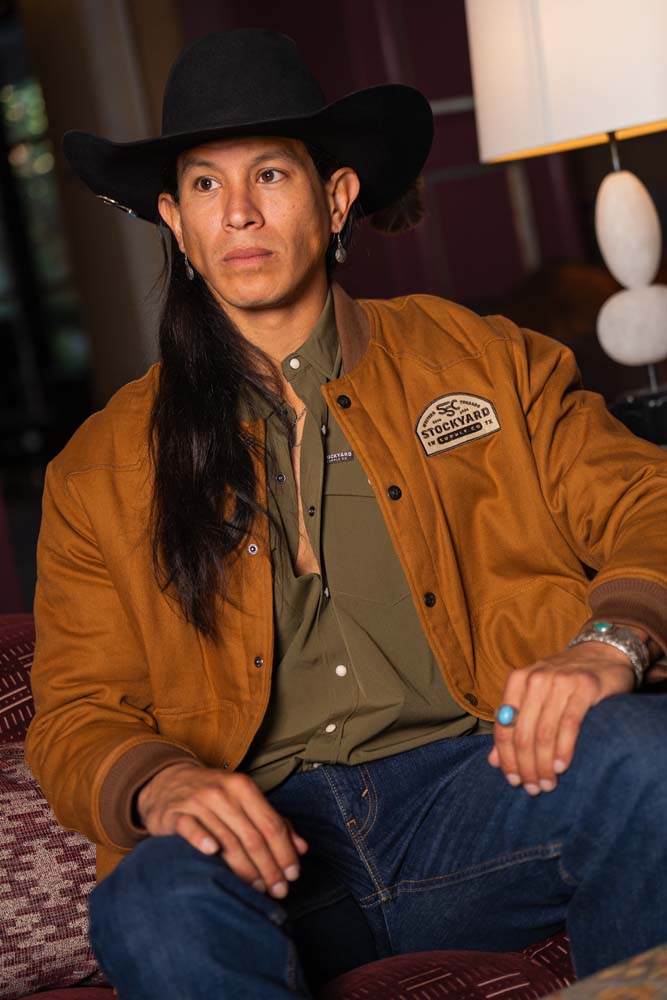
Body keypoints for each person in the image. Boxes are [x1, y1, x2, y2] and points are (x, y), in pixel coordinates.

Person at [25, 27, 667, 999]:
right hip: (266, 856)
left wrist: (609, 641)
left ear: (335, 200)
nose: (238, 212)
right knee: (148, 897)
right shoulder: (98, 469)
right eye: (205, 186)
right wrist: (161, 781)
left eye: (271, 176)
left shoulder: (486, 361)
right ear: (173, 219)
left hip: (490, 791)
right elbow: (75, 711)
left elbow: (645, 498)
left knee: (639, 754)